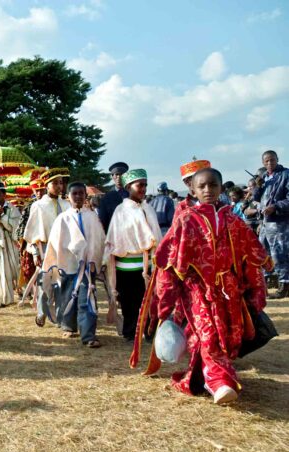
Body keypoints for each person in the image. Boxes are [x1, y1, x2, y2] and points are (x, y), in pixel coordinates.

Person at [131, 168, 272, 404]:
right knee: (209, 334)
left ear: (220, 188)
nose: (208, 190)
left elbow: (251, 259)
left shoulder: (234, 221)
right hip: (197, 291)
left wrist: (256, 292)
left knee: (228, 336)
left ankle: (199, 378)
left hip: (230, 291)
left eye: (213, 185)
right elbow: (169, 266)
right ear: (193, 190)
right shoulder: (186, 221)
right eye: (202, 186)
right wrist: (164, 307)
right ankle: (221, 383)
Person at [42, 182, 105, 347]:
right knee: (68, 295)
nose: (78, 196)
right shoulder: (63, 218)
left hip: (87, 267)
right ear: (68, 197)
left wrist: (94, 259)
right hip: (68, 264)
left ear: (85, 196)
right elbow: (55, 243)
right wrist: (55, 263)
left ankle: (88, 335)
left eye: (81, 193)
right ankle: (69, 326)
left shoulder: (92, 217)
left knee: (87, 298)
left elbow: (98, 241)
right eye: (74, 194)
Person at [104, 169, 162, 342]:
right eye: (139, 185)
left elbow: (156, 235)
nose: (143, 188)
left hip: (148, 264)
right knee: (129, 302)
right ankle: (130, 332)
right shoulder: (121, 211)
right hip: (126, 265)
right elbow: (115, 237)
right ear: (129, 187)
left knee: (149, 299)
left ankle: (149, 331)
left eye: (145, 184)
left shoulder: (148, 208)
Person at [23, 167, 71, 326]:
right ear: (47, 185)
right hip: (46, 249)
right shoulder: (39, 206)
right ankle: (42, 311)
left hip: (64, 249)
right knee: (46, 284)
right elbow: (33, 232)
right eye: (55, 183)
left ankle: (60, 316)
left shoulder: (67, 205)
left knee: (63, 283)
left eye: (61, 183)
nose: (59, 186)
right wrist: (36, 253)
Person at [253, 150, 289, 299]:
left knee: (280, 253)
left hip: (280, 222)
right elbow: (256, 199)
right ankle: (272, 279)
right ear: (263, 163)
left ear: (277, 159)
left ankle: (285, 284)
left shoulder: (285, 174)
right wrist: (258, 187)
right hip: (265, 223)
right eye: (266, 161)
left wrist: (275, 206)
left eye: (272, 160)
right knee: (265, 253)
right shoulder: (264, 177)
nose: (269, 163)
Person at [98, 162, 129, 231]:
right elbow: (103, 222)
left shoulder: (133, 195)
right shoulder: (106, 198)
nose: (119, 177)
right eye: (116, 174)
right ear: (112, 176)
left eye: (122, 174)